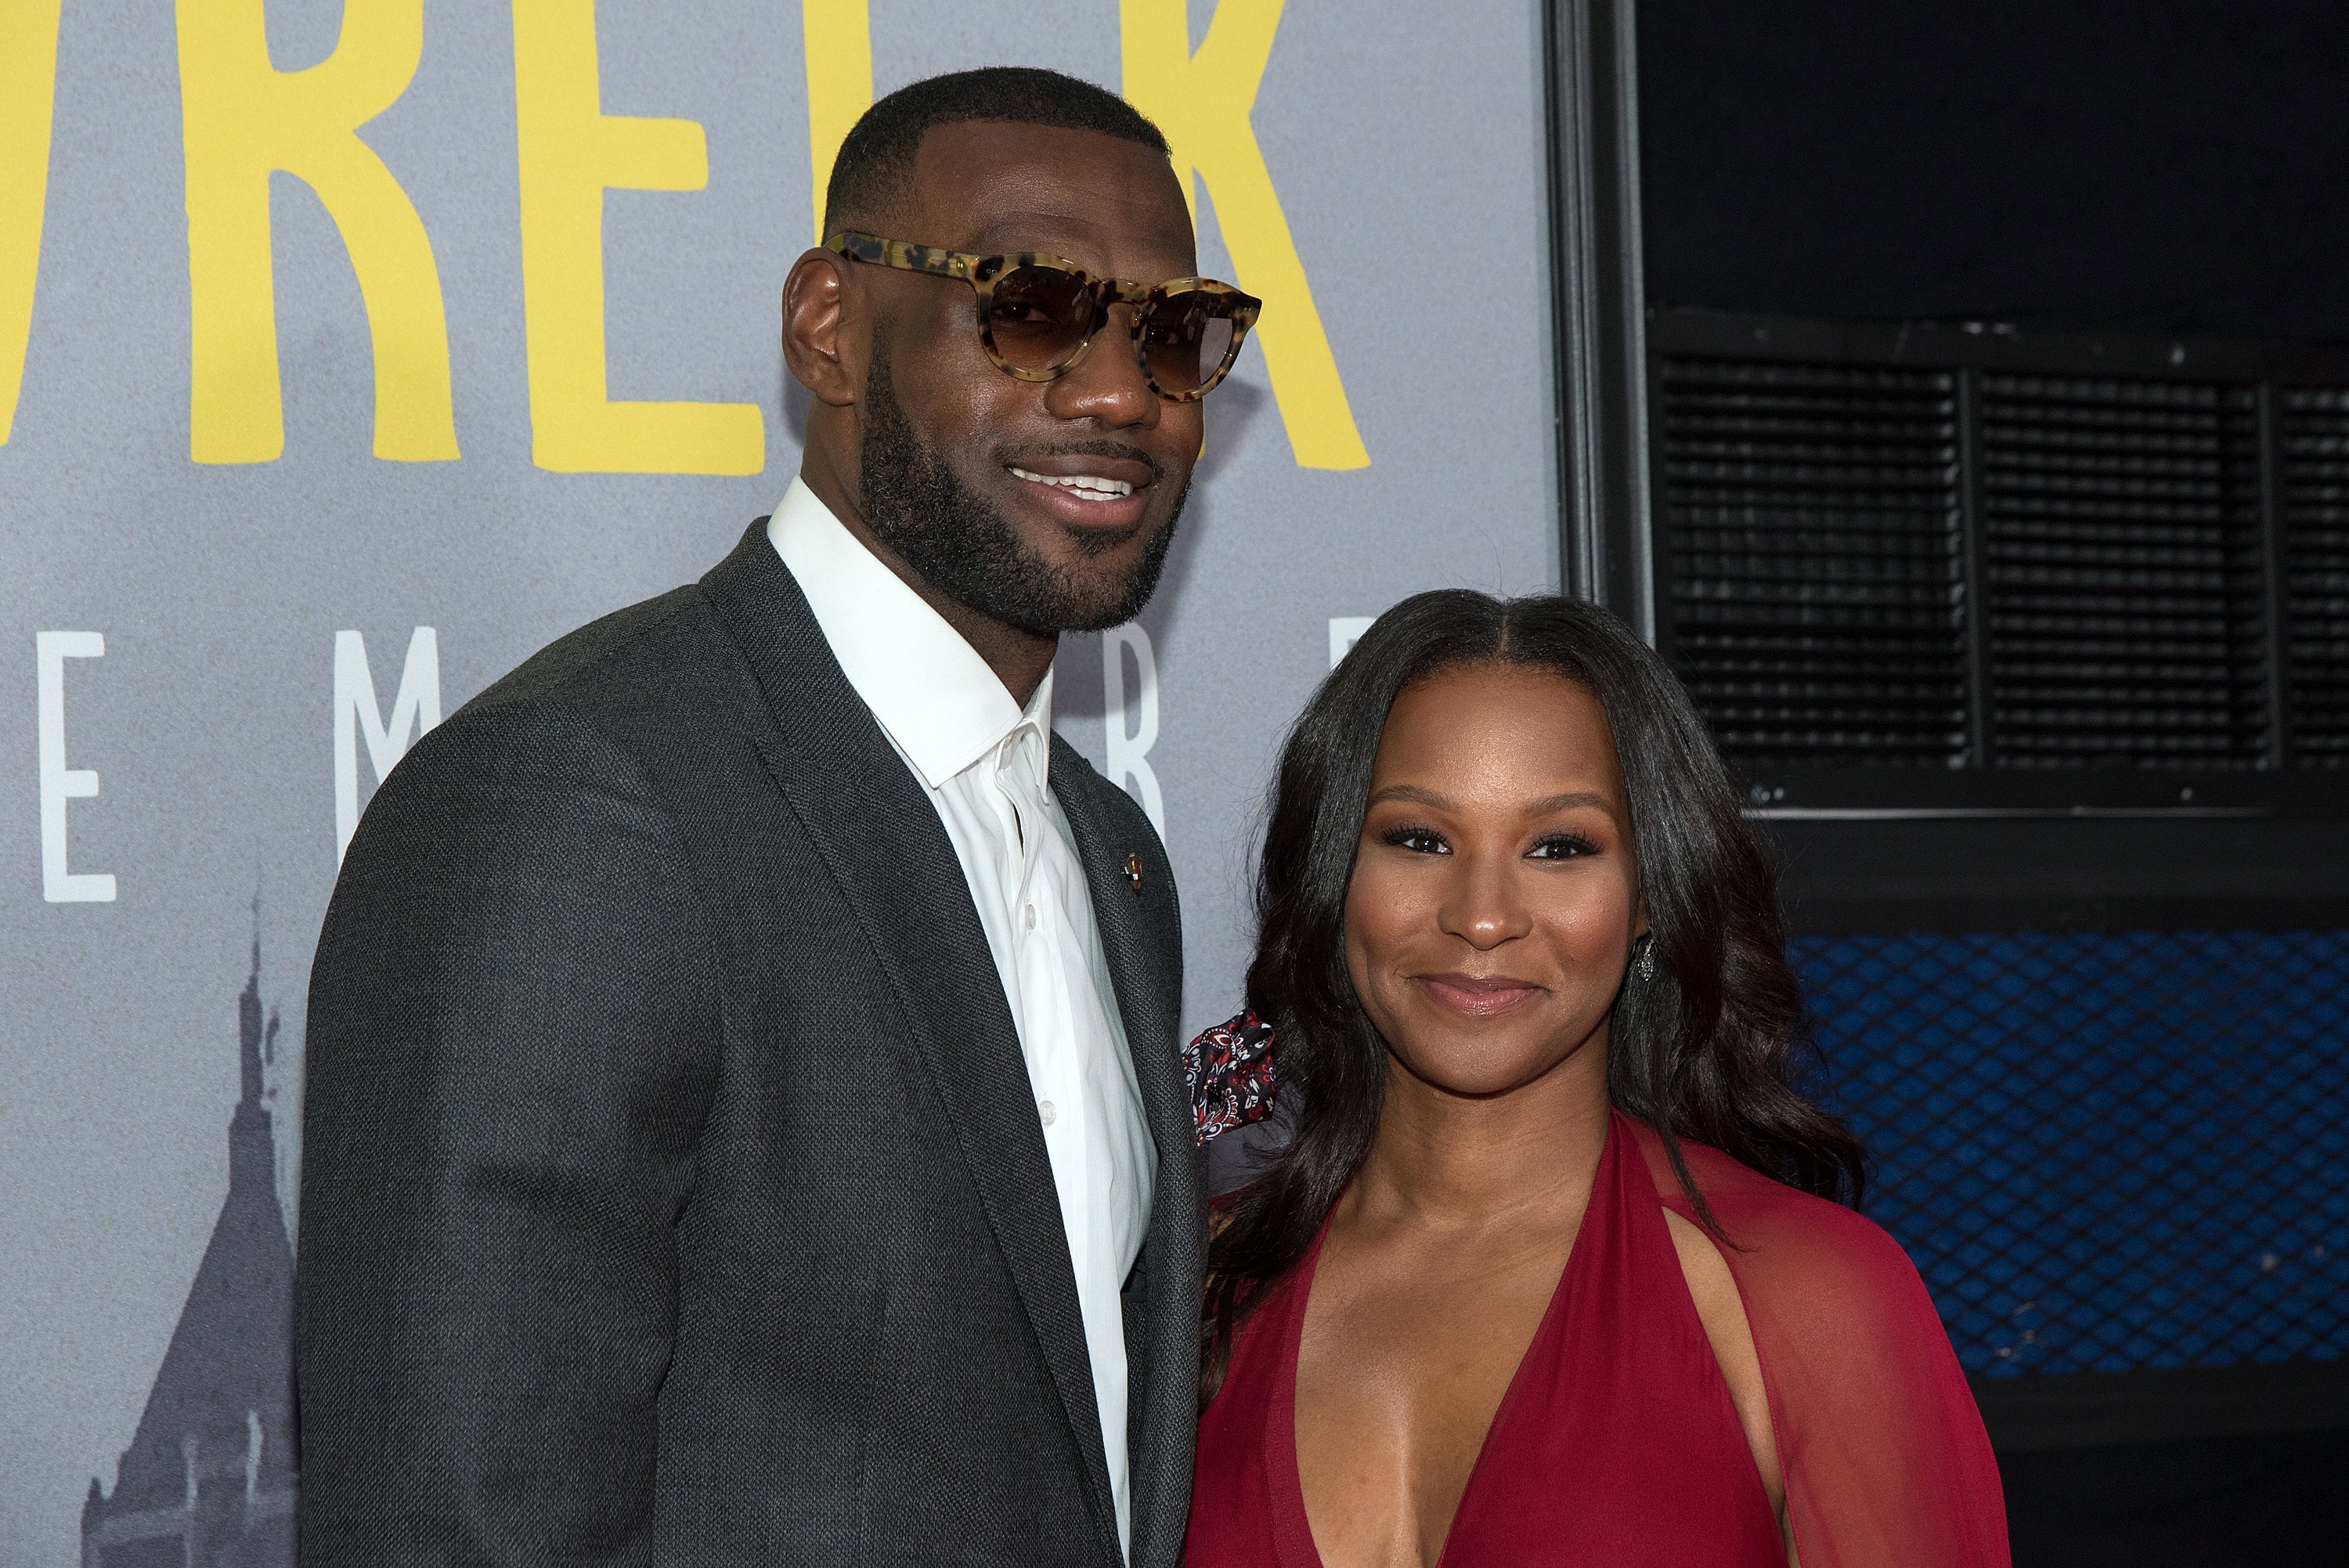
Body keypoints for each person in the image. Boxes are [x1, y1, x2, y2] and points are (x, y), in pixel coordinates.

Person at [297, 67, 1259, 1568]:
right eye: (1033, 307)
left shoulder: (1108, 847)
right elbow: (453, 1523)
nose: (1123, 392)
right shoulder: (583, 798)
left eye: (1173, 332)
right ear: (829, 326)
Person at [1183, 592, 2009, 1568]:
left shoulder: (1806, 1296)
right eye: (1418, 838)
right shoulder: (1201, 1292)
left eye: (1559, 847)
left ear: (1651, 893)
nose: (1483, 916)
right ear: (1334, 873)